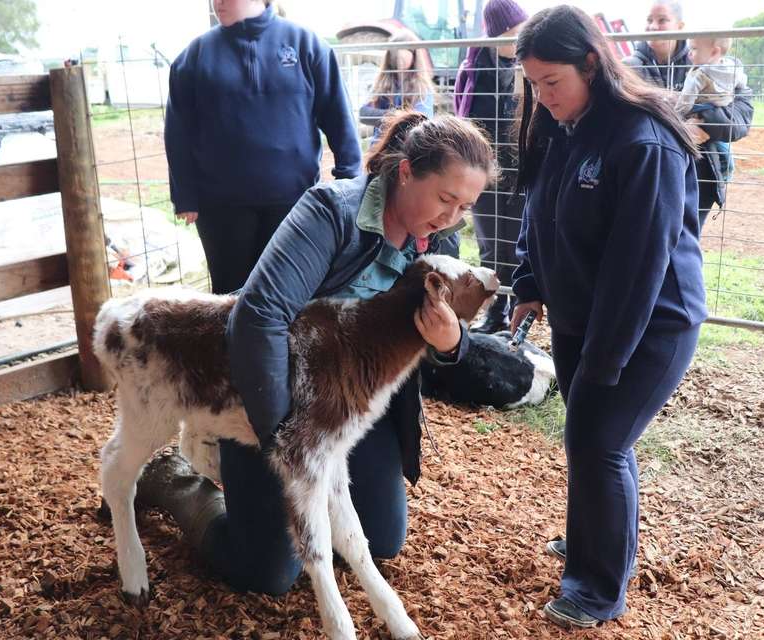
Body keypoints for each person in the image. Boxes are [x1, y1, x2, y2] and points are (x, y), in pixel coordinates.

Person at [133, 111, 497, 595]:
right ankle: (175, 483)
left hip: (347, 403)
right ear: (406, 172)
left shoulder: (438, 234)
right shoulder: (331, 210)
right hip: (273, 397)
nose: (452, 218)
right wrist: (281, 434)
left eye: (465, 206)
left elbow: (448, 336)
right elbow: (259, 316)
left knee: (383, 539)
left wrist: (451, 343)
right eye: (446, 198)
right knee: (266, 573)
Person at [510, 5, 707, 628]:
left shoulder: (642, 139)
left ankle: (597, 587)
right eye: (534, 85)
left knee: (599, 439)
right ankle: (596, 534)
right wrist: (529, 281)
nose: (542, 98)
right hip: (579, 314)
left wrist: (605, 356)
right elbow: (536, 212)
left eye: (552, 83)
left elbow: (639, 265)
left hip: (648, 322)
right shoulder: (562, 124)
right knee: (592, 439)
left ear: (591, 63)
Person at [165, 0, 361, 295]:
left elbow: (337, 115)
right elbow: (178, 132)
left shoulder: (306, 44)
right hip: (222, 209)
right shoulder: (194, 57)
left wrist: (349, 179)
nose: (217, 2)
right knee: (229, 297)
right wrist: (185, 195)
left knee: (290, 294)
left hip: (295, 202)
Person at [623, 0, 754, 226]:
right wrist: (681, 130)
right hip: (650, 171)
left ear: (680, 25)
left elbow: (743, 115)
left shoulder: (716, 64)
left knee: (687, 243)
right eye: (649, 20)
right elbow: (625, 121)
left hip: (700, 170)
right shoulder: (629, 68)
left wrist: (703, 123)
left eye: (662, 20)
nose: (653, 27)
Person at [454, 0, 529, 333]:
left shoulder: (527, 67)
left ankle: (519, 313)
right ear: (497, 33)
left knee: (518, 245)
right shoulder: (473, 69)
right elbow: (464, 115)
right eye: (514, 33)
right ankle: (496, 314)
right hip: (483, 170)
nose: (519, 39)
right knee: (490, 245)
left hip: (519, 170)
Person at [675, 37, 747, 181]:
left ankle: (723, 170)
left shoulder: (698, 74)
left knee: (707, 144)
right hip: (723, 110)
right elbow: (742, 83)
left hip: (699, 109)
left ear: (714, 52)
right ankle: (727, 171)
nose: (689, 53)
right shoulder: (733, 67)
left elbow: (686, 99)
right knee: (722, 146)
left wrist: (677, 115)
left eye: (694, 49)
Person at [359, 32, 435, 144]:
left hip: (407, 148)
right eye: (396, 53)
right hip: (380, 147)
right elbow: (363, 113)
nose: (399, 59)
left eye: (405, 52)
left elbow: (421, 120)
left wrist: (389, 117)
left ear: (414, 56)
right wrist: (395, 115)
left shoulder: (422, 87)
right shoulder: (382, 84)